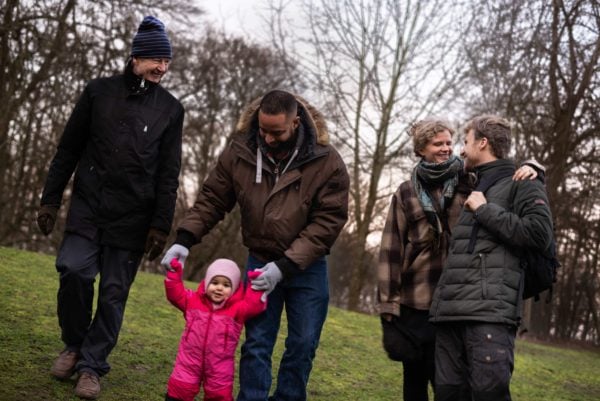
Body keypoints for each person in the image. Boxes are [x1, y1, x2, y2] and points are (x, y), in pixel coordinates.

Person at [161, 89, 349, 401]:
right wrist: (184, 239)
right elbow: (212, 199)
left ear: (295, 123)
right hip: (259, 263)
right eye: (263, 130)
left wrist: (286, 266)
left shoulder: (327, 161)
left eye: (277, 132)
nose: (269, 138)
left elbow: (328, 222)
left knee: (303, 343)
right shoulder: (240, 151)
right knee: (257, 341)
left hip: (307, 268)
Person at [36, 15, 183, 400]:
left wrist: (160, 226)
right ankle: (73, 344)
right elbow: (67, 149)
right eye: (156, 60)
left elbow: (170, 173)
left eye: (167, 62)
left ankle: (91, 367)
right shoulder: (98, 93)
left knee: (114, 294)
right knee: (73, 270)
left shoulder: (171, 109)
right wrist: (51, 199)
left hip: (134, 218)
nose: (162, 68)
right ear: (136, 57)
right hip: (88, 206)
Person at [377, 118, 540, 401]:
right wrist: (388, 308)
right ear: (421, 149)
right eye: (437, 143)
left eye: (449, 143)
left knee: (451, 385)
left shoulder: (470, 181)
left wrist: (535, 167)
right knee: (413, 383)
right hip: (415, 301)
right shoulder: (406, 191)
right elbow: (391, 250)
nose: (446, 149)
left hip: (456, 300)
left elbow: (500, 169)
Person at [428, 115, 554, 401]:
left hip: (489, 316)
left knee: (488, 395)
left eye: (466, 140)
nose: (460, 149)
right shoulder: (468, 182)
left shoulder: (523, 182)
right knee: (447, 395)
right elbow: (428, 169)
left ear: (483, 142)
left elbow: (539, 235)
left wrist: (485, 211)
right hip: (450, 312)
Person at [164, 258, 266, 401]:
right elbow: (176, 294)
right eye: (215, 282)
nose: (219, 288)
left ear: (235, 289)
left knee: (219, 395)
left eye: (226, 285)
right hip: (188, 362)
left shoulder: (237, 310)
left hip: (220, 367)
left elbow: (254, 305)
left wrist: (255, 286)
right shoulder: (193, 301)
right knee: (179, 391)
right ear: (206, 283)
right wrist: (174, 275)